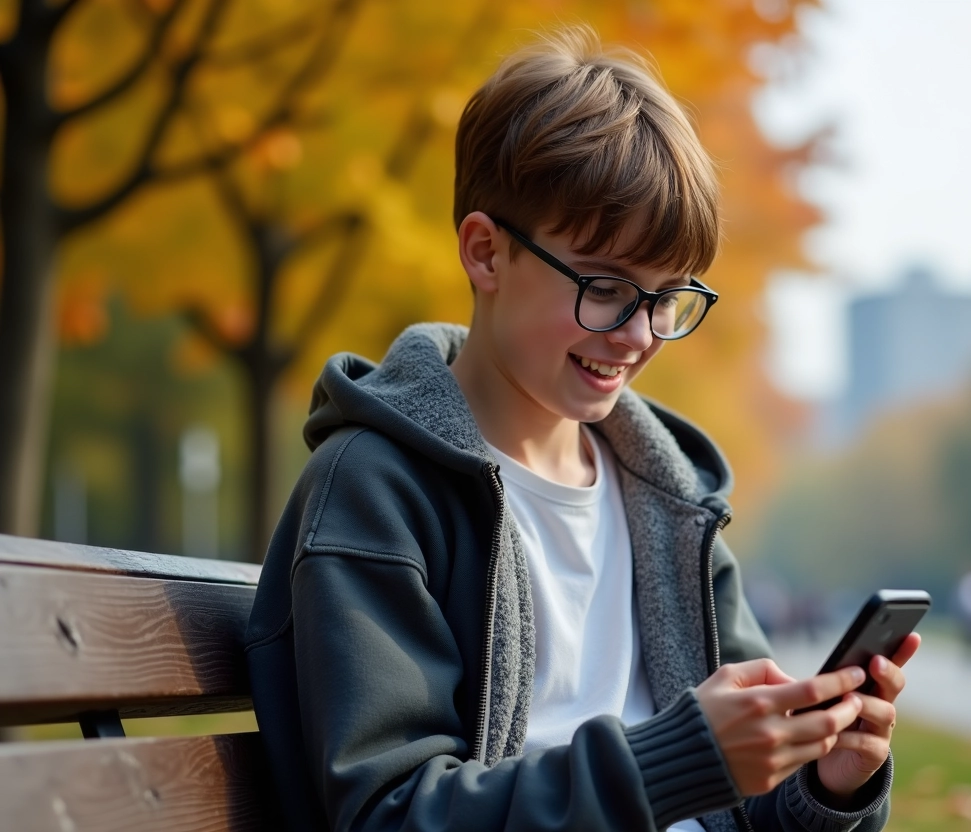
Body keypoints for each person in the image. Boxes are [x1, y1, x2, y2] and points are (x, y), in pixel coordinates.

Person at [245, 26, 919, 832]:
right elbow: (390, 813)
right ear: (487, 254)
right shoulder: (375, 491)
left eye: (667, 298)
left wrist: (827, 785)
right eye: (605, 287)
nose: (639, 336)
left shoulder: (670, 504)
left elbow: (743, 801)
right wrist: (677, 761)